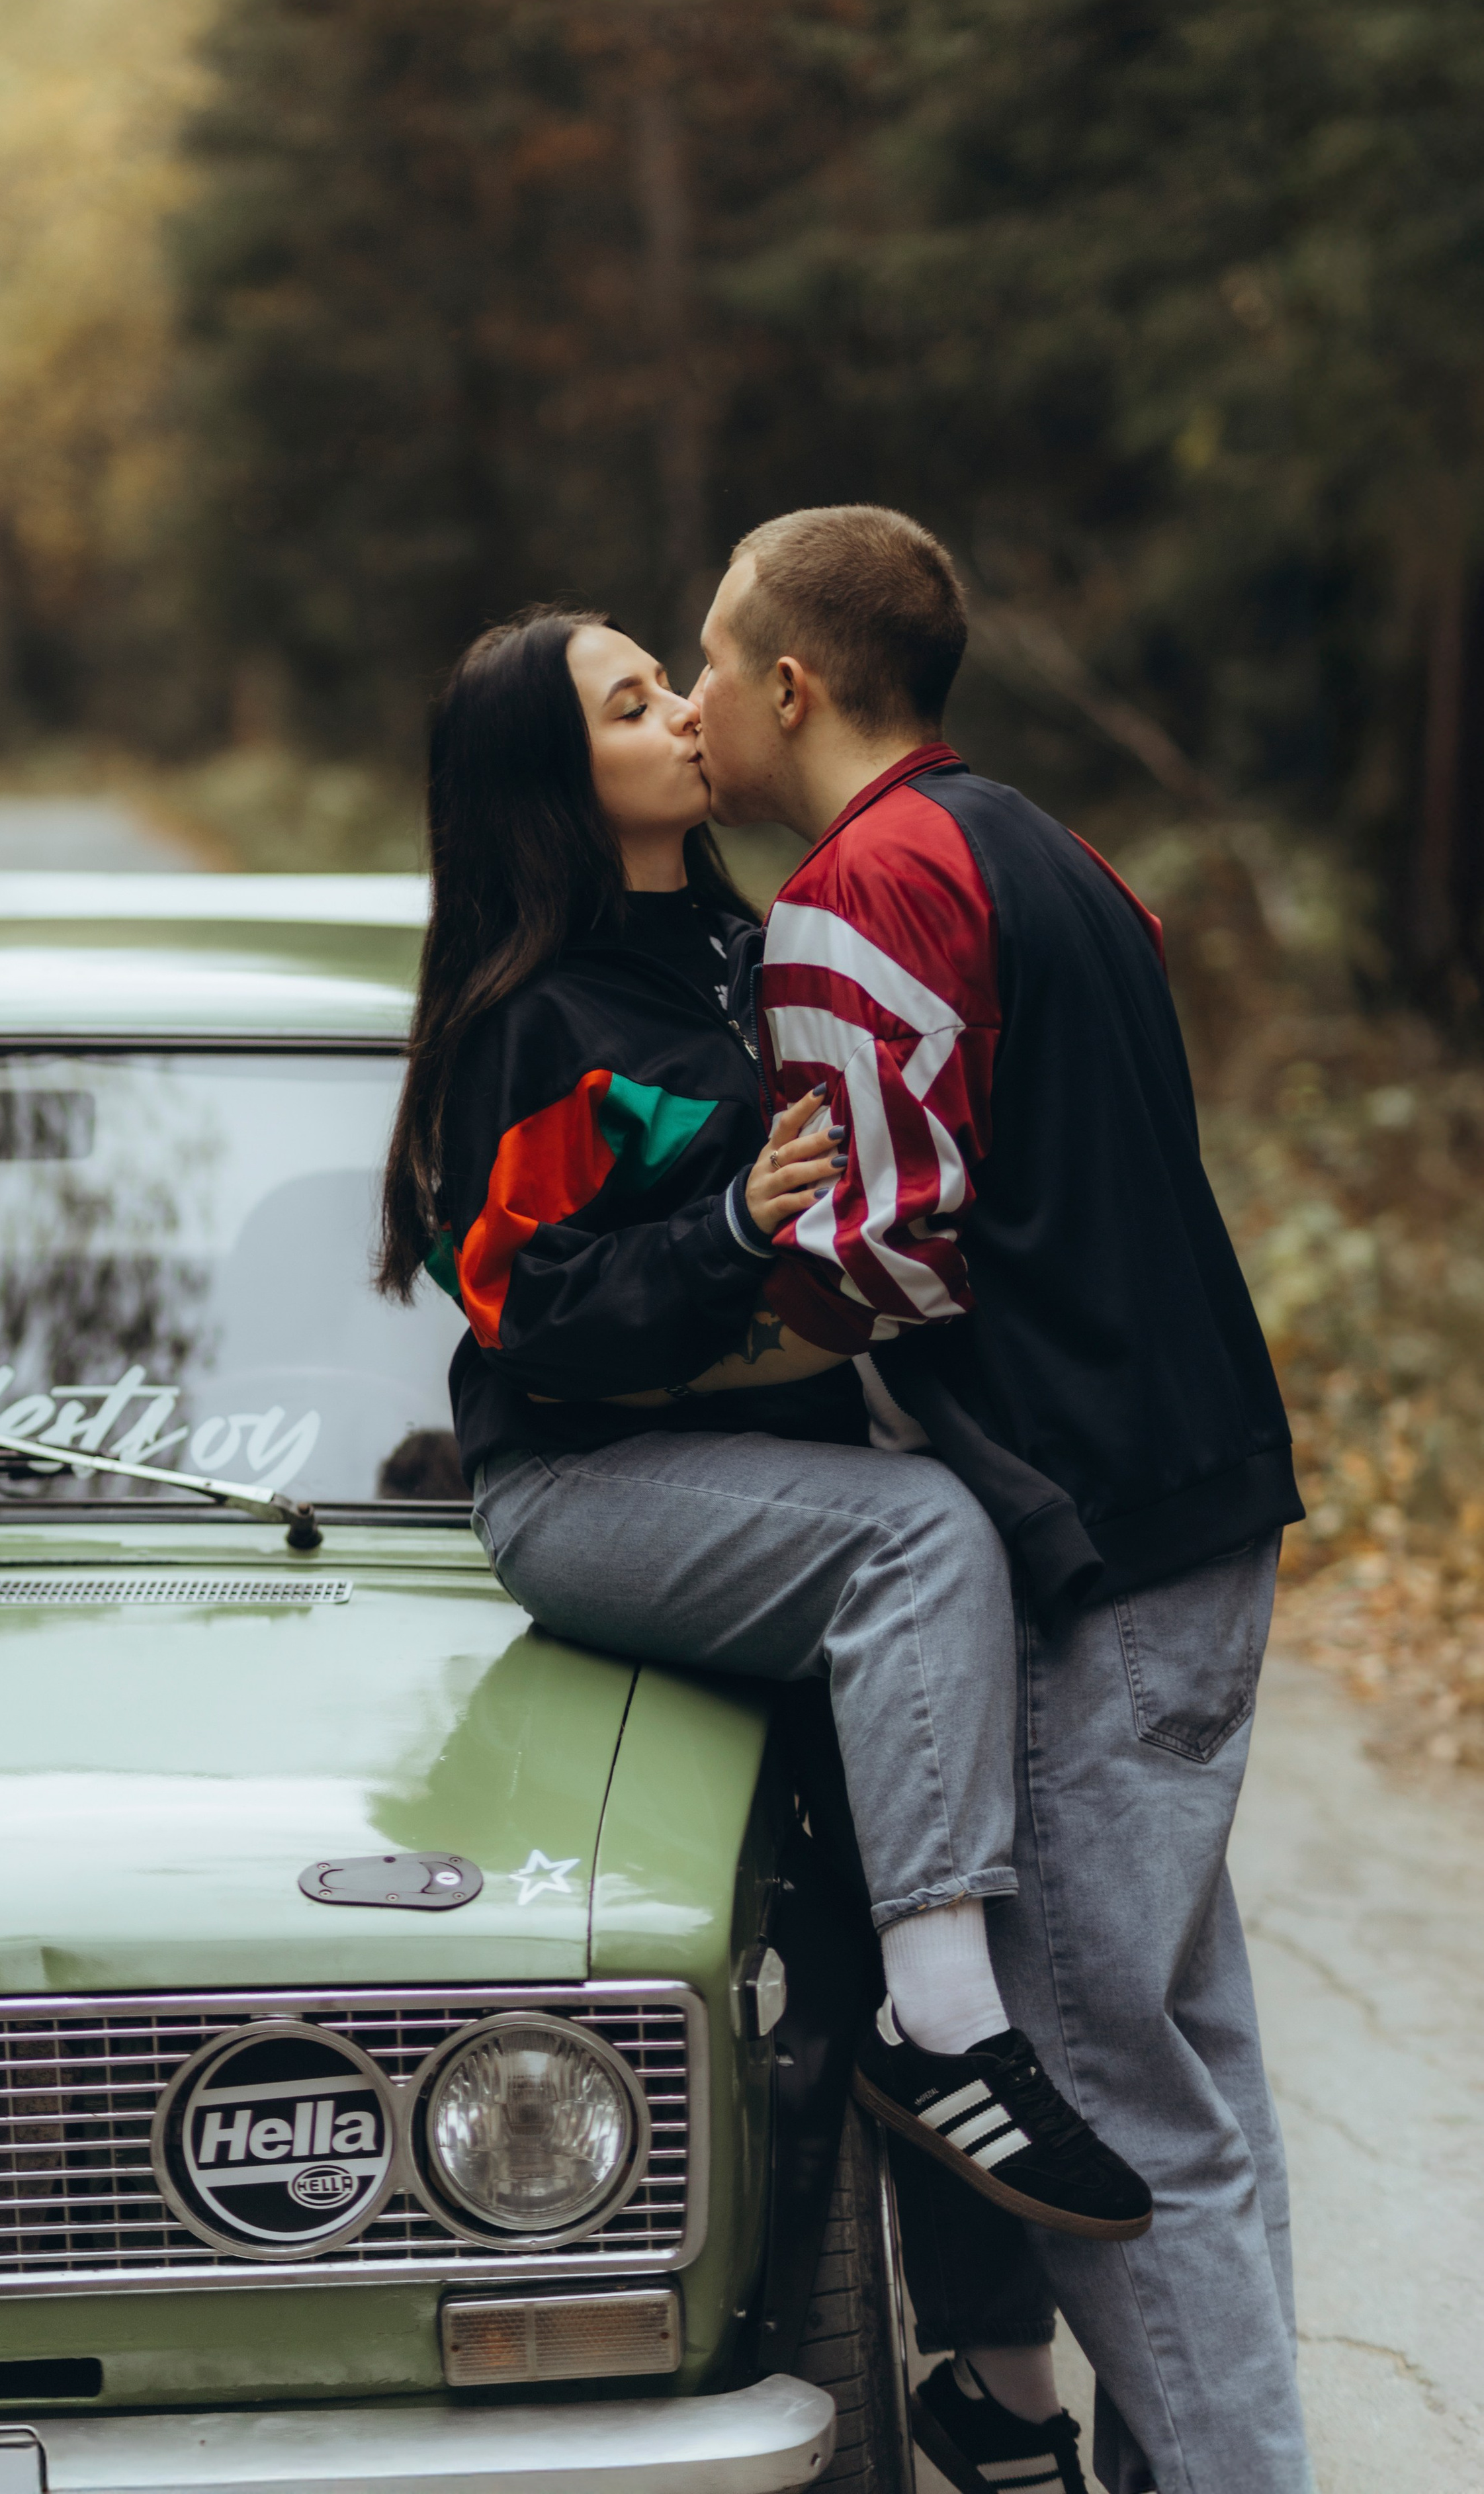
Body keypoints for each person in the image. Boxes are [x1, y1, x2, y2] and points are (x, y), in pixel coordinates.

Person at [379, 603, 1152, 2266]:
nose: (682, 713)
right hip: (582, 1492)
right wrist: (729, 1225)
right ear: (548, 777)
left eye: (672, 682)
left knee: (903, 1911)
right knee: (923, 1537)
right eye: (630, 703)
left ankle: (1000, 2390)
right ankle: (944, 2032)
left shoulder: (752, 962)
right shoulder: (534, 1023)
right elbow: (533, 1312)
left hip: (777, 1483)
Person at [692, 505, 1311, 2494]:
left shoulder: (855, 894)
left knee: (1099, 2090)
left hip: (1086, 1556)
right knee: (1189, 2072)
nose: (694, 701)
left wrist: (656, 1355)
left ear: (790, 684)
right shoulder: (1065, 858)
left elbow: (882, 1251)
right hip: (1201, 1508)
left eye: (708, 660)